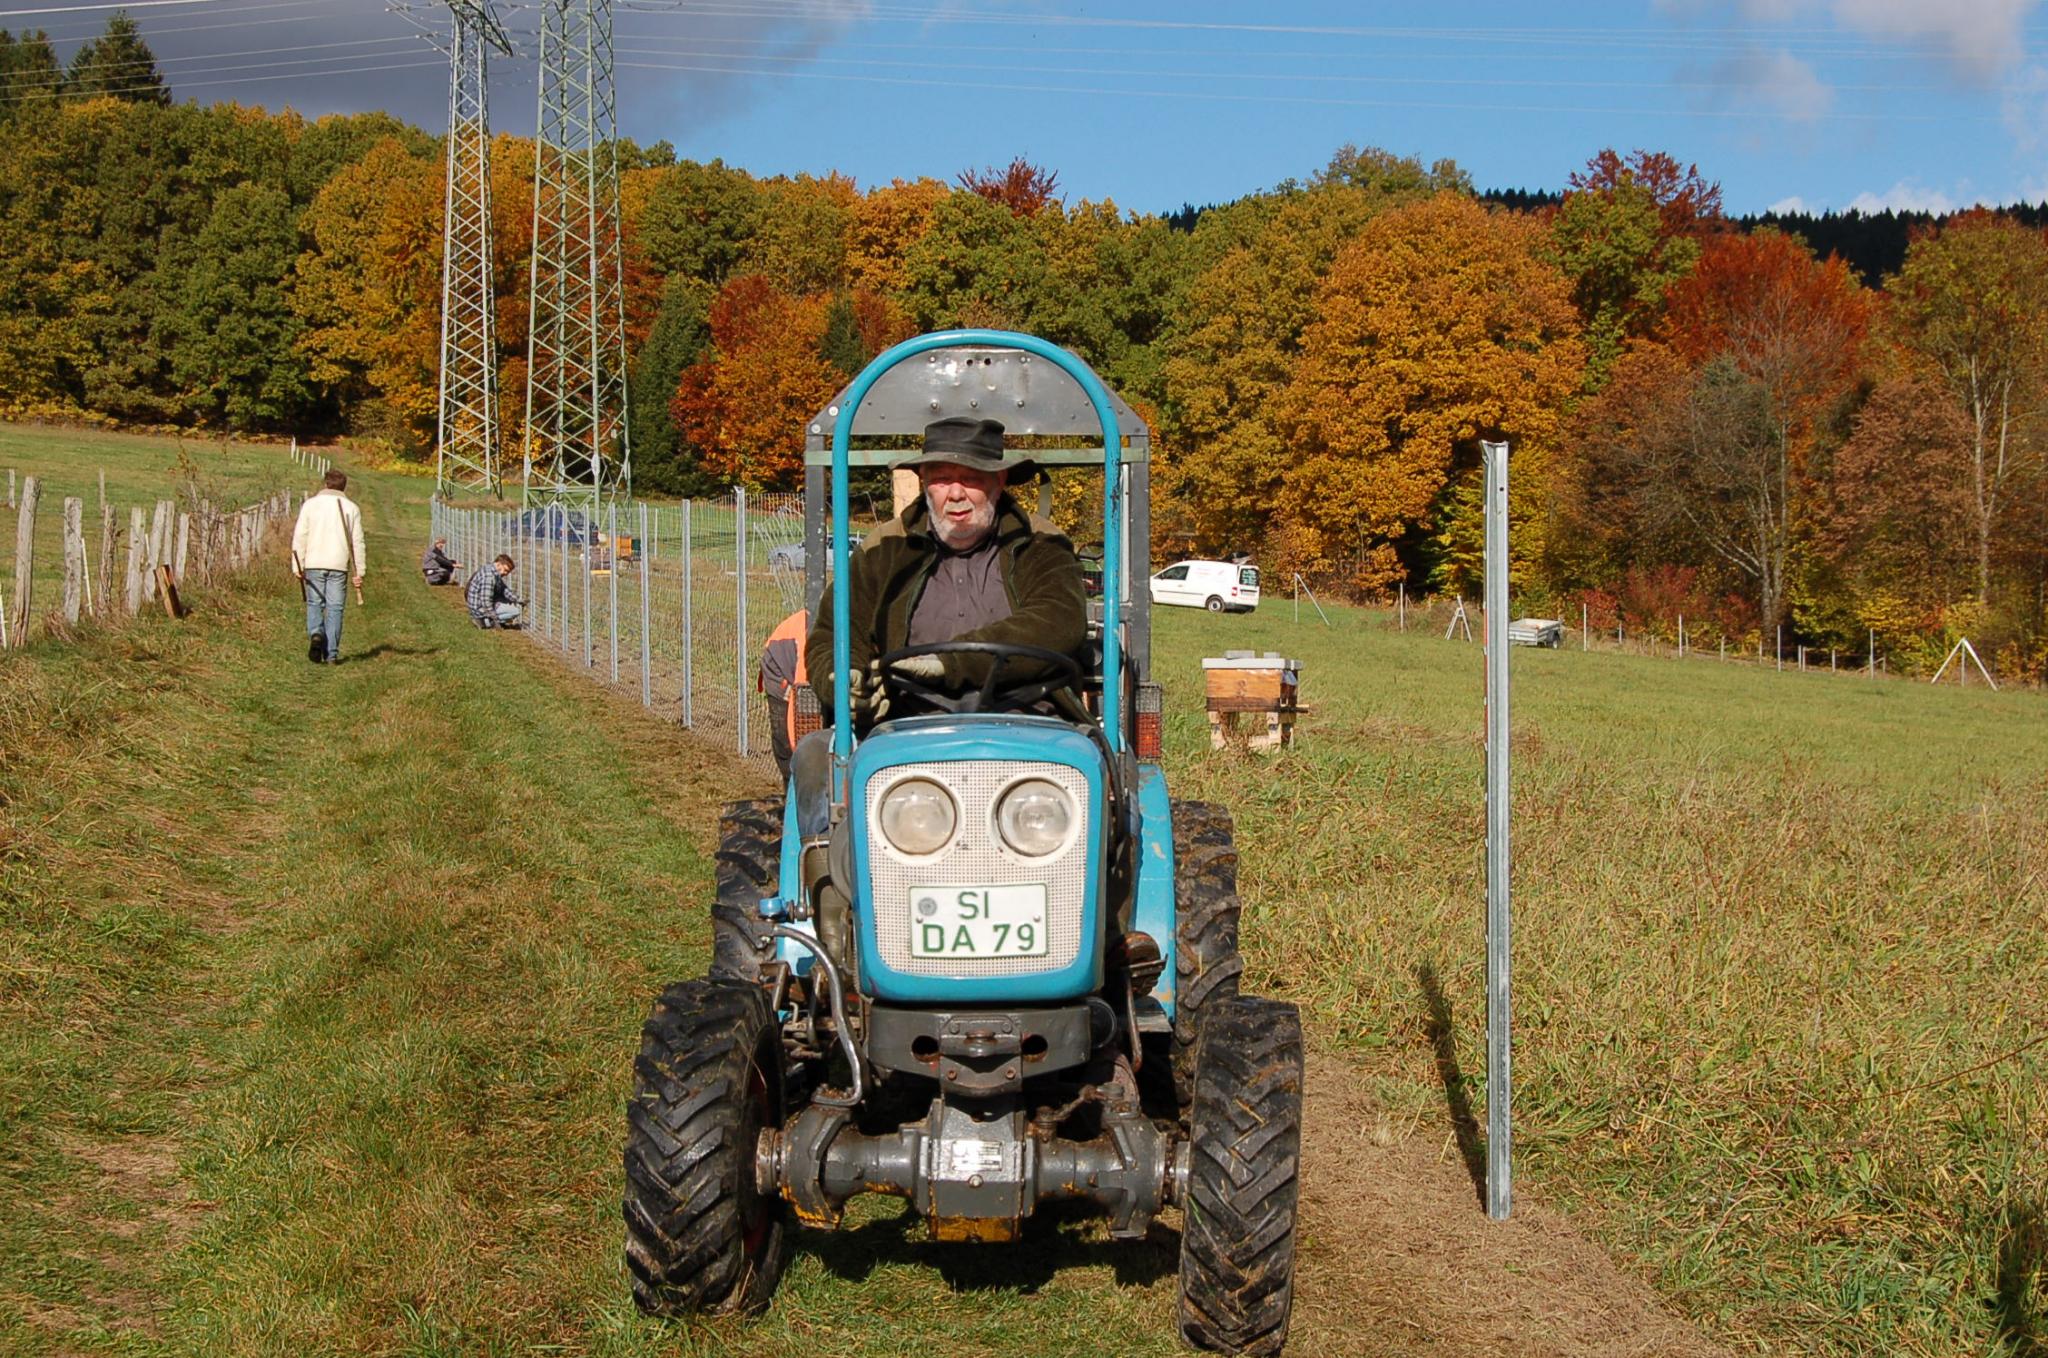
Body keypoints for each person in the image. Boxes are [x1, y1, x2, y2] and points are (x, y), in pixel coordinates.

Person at [805, 416, 1086, 729]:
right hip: (908, 726)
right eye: (941, 478)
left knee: (1111, 767)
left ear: (1000, 480)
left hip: (1031, 723)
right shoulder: (883, 549)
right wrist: (845, 681)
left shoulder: (1041, 542)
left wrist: (948, 664)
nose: (955, 494)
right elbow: (834, 633)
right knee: (814, 759)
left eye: (971, 478)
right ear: (924, 481)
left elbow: (1060, 618)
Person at [290, 468, 366, 665]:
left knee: (315, 603)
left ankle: (316, 633)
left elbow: (301, 535)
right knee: (335, 608)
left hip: (314, 562)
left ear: (325, 484)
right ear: (344, 486)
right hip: (339, 564)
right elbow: (357, 542)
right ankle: (331, 654)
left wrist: (297, 565)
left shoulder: (311, 505)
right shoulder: (351, 508)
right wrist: (361, 571)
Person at [759, 608, 809, 780]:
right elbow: (803, 690)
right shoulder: (810, 637)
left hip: (806, 669)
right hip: (779, 670)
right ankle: (792, 790)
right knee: (787, 741)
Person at [465, 554, 526, 628]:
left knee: (508, 602)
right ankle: (485, 622)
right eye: (505, 570)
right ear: (499, 564)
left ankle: (487, 620)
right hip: (479, 609)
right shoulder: (489, 576)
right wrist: (494, 618)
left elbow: (503, 589)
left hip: (478, 605)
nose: (506, 574)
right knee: (515, 611)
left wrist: (517, 599)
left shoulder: (491, 570)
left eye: (508, 572)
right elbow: (486, 601)